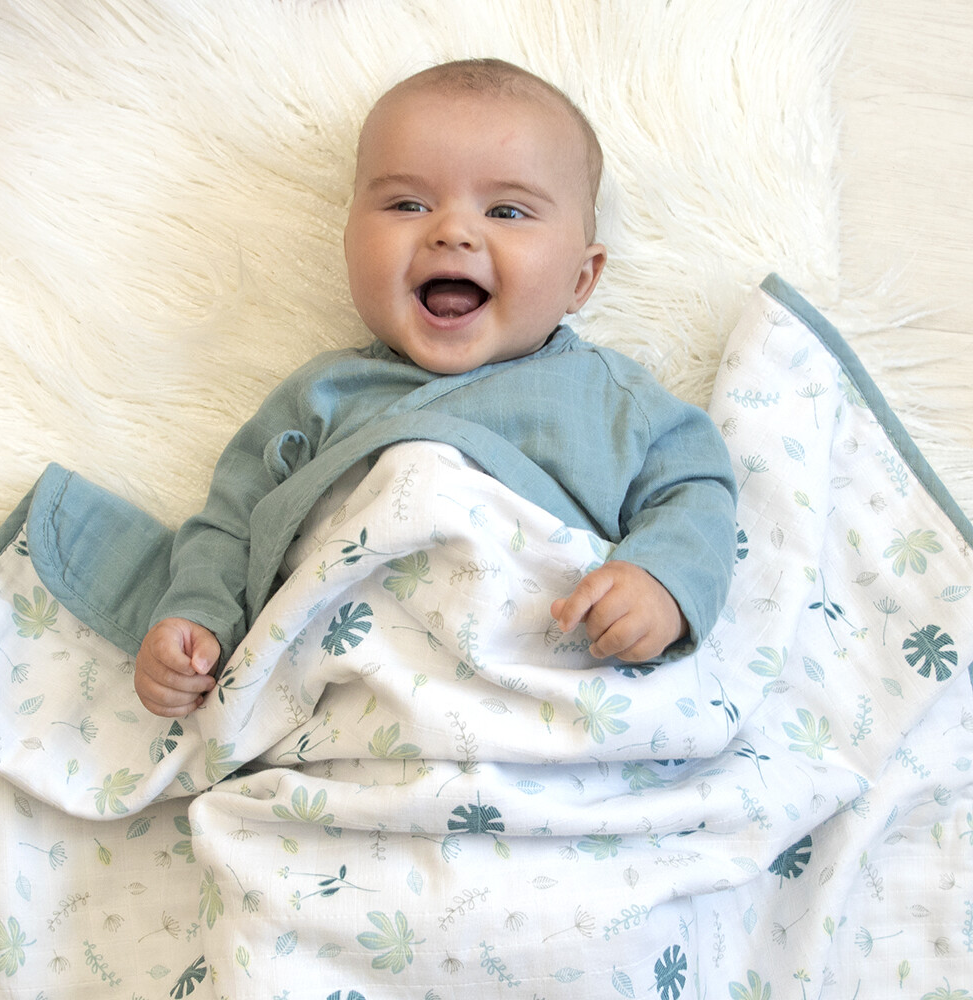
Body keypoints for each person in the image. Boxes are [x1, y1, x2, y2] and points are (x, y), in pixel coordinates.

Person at [134, 58, 738, 717]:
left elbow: (695, 490)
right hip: (349, 712)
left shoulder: (611, 398)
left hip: (545, 707)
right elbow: (233, 523)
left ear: (580, 279)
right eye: (408, 204)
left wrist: (661, 582)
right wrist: (196, 619)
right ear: (349, 245)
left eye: (506, 210)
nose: (452, 231)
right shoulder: (323, 395)